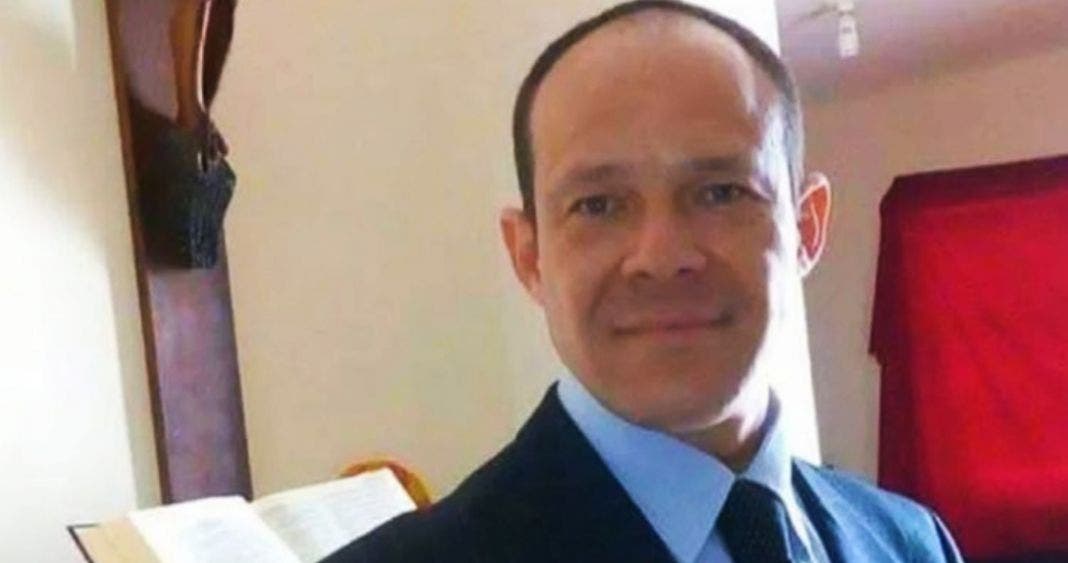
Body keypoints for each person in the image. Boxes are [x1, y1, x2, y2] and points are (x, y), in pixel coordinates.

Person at [323, 1, 963, 561]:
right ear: (529, 256)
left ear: (805, 228)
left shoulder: (911, 542)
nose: (662, 256)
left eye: (720, 192)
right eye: (598, 205)